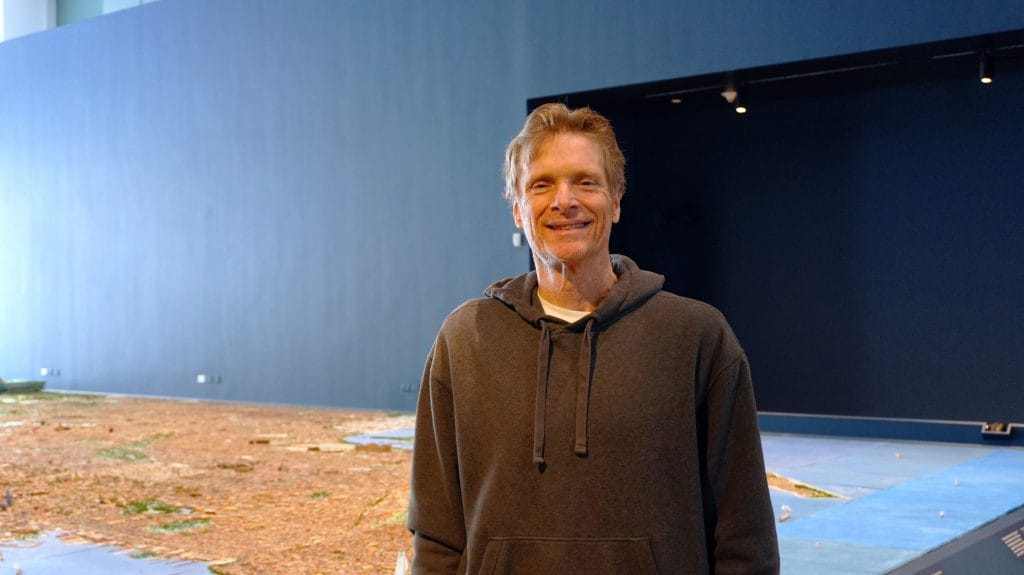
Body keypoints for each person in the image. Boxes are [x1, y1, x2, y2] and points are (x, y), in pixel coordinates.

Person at [407, 103, 779, 574]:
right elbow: (437, 534)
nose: (564, 200)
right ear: (518, 209)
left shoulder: (696, 337)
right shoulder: (465, 341)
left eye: (586, 182)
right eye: (541, 184)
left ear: (616, 201)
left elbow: (746, 536)